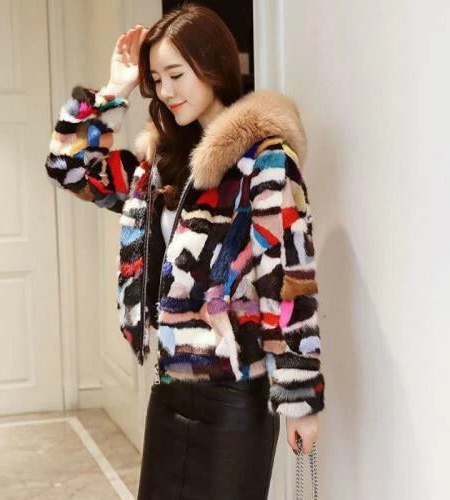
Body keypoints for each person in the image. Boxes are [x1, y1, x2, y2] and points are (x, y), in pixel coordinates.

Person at [45, 3, 324, 499]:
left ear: (212, 66)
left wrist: (300, 400)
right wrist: (115, 90)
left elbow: (288, 285)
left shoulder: (265, 162)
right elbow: (68, 169)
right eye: (157, 79)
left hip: (236, 397)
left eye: (176, 75)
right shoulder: (162, 163)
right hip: (170, 389)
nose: (166, 91)